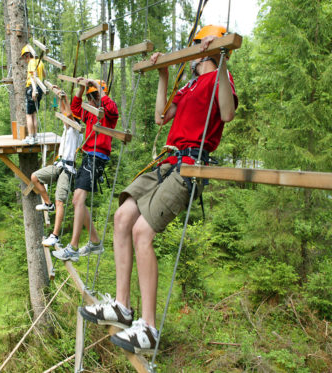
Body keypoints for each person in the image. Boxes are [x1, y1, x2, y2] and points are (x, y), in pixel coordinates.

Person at [79, 25, 238, 354]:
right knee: (122, 217)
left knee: (141, 232)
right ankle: (123, 307)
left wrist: (221, 60)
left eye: (195, 50)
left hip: (191, 164)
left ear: (204, 50)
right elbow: (159, 118)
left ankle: (149, 329)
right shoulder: (189, 85)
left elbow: (226, 113)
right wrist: (164, 74)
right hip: (168, 161)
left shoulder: (218, 78)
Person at [52, 78, 119, 261]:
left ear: (100, 95)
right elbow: (74, 109)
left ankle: (73, 247)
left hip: (97, 157)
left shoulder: (107, 112)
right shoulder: (89, 111)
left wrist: (98, 89)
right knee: (76, 201)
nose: (90, 100)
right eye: (89, 97)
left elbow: (112, 108)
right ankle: (95, 242)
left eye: (93, 96)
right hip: (88, 156)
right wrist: (81, 89)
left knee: (78, 199)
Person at [31, 94, 83, 247]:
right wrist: (60, 97)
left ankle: (55, 236)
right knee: (35, 177)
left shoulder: (76, 131)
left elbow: (68, 115)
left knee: (60, 200)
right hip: (59, 165)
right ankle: (48, 203)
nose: (65, 122)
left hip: (68, 169)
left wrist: (64, 99)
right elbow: (64, 114)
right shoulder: (67, 129)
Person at [21, 44, 45, 145]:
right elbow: (44, 74)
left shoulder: (31, 62)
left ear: (27, 55)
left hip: (32, 87)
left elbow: (32, 76)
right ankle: (35, 137)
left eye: (24, 58)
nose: (25, 61)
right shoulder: (40, 62)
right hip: (39, 88)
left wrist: (34, 90)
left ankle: (31, 137)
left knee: (29, 115)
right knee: (34, 114)